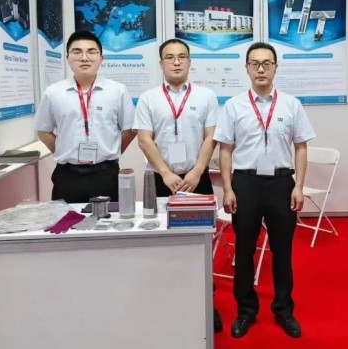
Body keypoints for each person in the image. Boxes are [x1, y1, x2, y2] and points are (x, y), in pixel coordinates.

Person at [214, 42, 315, 339]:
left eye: (267, 63)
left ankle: (284, 310)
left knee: (282, 251)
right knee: (244, 250)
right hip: (245, 184)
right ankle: (246, 310)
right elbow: (225, 150)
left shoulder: (291, 105)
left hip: (281, 184)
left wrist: (299, 186)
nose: (261, 69)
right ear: (246, 68)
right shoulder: (234, 106)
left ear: (275, 68)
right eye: (255, 63)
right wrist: (228, 189)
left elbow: (301, 147)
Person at [134, 38, 223, 333]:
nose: (176, 62)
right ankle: (167, 302)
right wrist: (165, 173)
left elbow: (211, 137)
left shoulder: (207, 96)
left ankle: (207, 303)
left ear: (189, 62)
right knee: (161, 242)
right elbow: (144, 139)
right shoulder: (148, 98)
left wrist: (197, 171)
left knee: (202, 243)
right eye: (170, 57)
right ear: (161, 63)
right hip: (160, 181)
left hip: (197, 180)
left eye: (182, 56)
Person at [35, 30, 136, 203]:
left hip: (106, 174)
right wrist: (63, 150)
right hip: (67, 175)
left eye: (91, 52)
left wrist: (113, 151)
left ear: (101, 58)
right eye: (77, 52)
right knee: (66, 218)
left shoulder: (117, 91)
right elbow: (43, 131)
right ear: (67, 58)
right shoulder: (53, 92)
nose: (84, 58)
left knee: (109, 219)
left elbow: (130, 129)